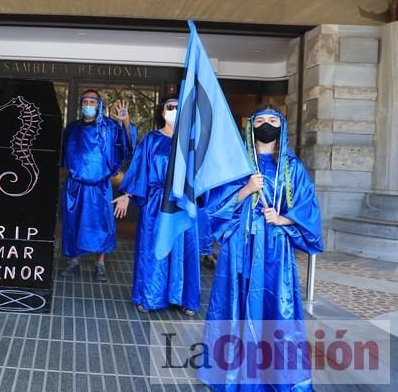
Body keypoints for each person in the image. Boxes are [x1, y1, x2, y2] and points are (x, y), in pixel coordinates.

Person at [198, 105, 323, 391]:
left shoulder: (292, 167)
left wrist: (282, 218)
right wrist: (245, 190)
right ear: (250, 126)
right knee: (234, 305)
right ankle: (229, 372)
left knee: (274, 308)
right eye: (261, 120)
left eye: (273, 120)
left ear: (282, 126)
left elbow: (309, 209)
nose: (267, 125)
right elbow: (213, 209)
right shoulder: (237, 166)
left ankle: (274, 376)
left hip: (274, 252)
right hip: (239, 249)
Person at [114, 98, 200, 315]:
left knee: (182, 248)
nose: (174, 111)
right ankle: (148, 296)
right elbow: (139, 170)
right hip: (156, 204)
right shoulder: (151, 140)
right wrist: (126, 195)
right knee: (153, 248)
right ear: (162, 112)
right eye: (170, 107)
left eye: (179, 108)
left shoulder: (190, 142)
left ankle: (183, 297)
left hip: (182, 204)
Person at [60, 89, 135, 282]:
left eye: (92, 102)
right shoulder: (72, 128)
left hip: (100, 187)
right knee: (72, 223)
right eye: (85, 102)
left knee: (101, 224)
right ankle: (73, 261)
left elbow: (126, 147)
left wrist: (125, 122)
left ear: (98, 105)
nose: (88, 105)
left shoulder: (109, 128)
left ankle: (100, 264)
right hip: (75, 186)